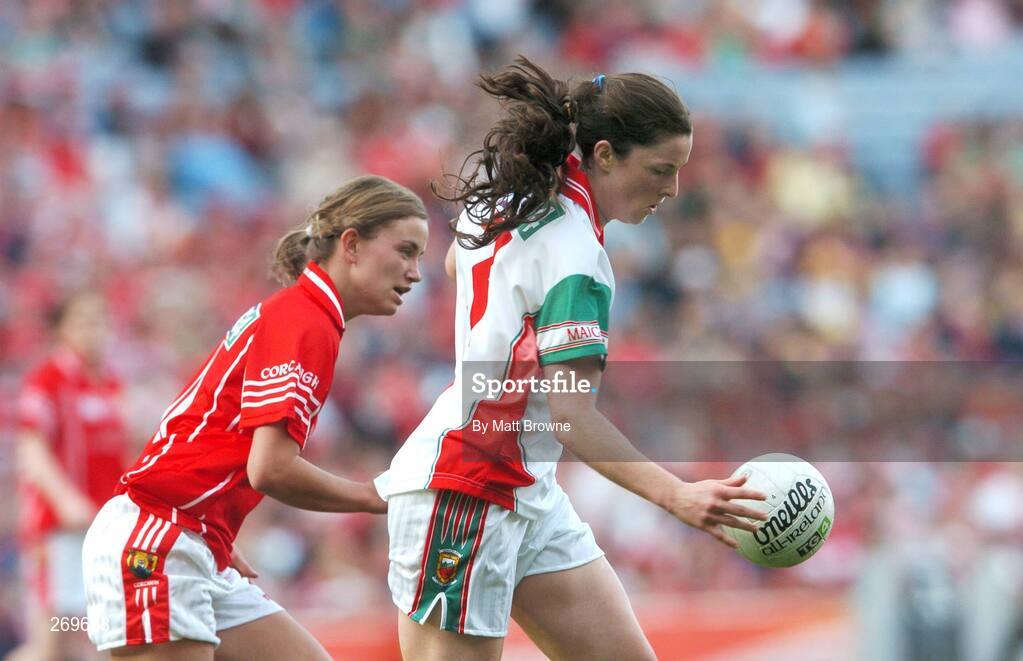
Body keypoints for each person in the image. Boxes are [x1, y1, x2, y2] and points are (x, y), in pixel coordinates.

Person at [374, 57, 769, 661]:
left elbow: (459, 263)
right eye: (662, 170)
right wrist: (675, 495)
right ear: (605, 154)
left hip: (526, 489)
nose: (672, 189)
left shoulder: (517, 196)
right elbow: (571, 417)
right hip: (469, 489)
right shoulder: (577, 253)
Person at [81, 175, 429, 660]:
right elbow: (270, 468)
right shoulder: (307, 320)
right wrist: (377, 497)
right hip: (158, 539)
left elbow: (205, 428)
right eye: (405, 251)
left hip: (192, 537)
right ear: (351, 244)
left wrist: (215, 521)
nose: (415, 273)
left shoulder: (305, 314)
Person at [8, 291, 129, 661]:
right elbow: (31, 447)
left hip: (99, 530)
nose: (96, 330)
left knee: (91, 637)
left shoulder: (109, 382)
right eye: (84, 321)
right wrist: (66, 500)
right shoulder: (48, 379)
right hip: (61, 531)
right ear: (62, 329)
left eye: (101, 320)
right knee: (54, 641)